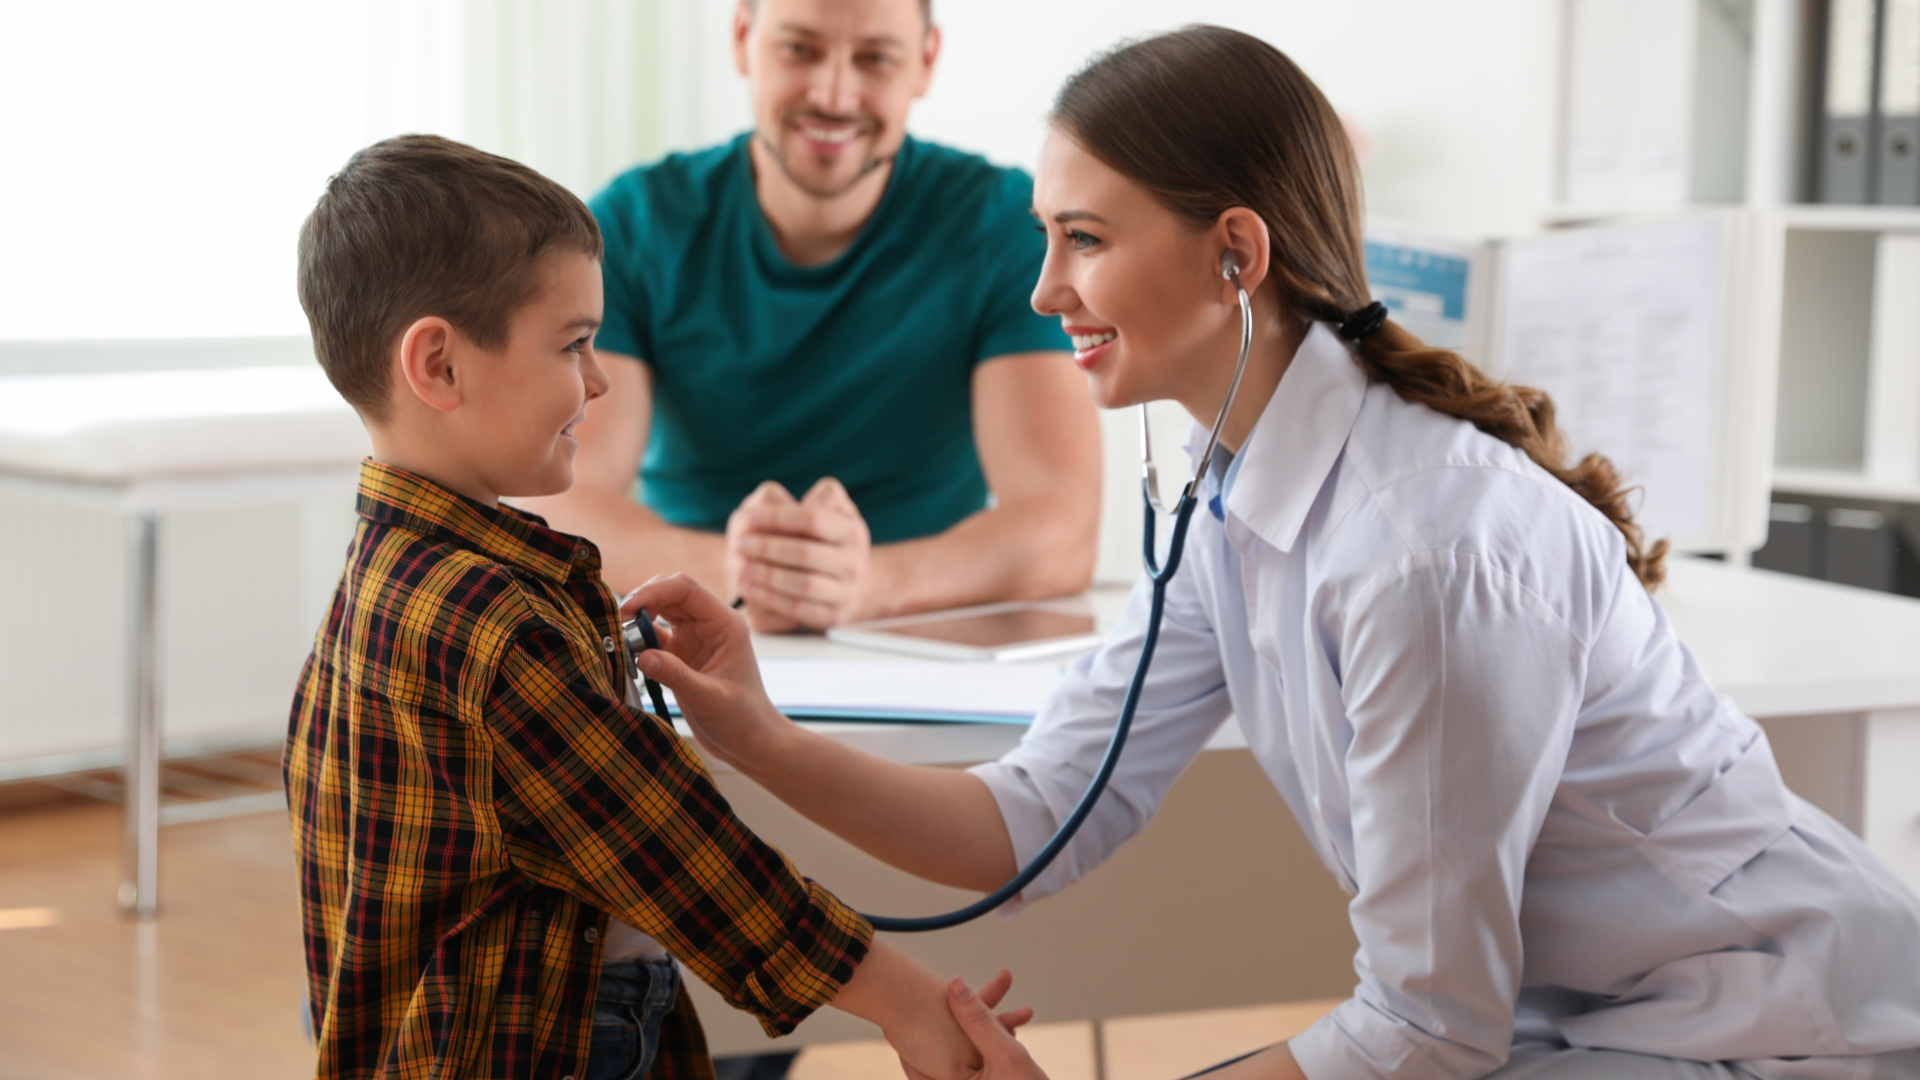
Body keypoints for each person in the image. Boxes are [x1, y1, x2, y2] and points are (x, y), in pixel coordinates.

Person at [624, 27, 1920, 1080]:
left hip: (1766, 1027)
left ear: (1234, 254)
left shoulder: (1420, 551)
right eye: (1044, 237)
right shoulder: (1232, 497)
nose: (1042, 291)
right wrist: (757, 736)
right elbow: (1029, 823)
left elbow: (1422, 1029)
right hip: (1578, 1021)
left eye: (1084, 239)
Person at [284, 133, 1020, 1080]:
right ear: (439, 366)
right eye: (574, 345)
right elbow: (689, 861)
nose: (597, 381)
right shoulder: (498, 630)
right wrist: (910, 1002)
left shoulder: (384, 582)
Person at [522, 0, 1101, 634]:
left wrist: (867, 585)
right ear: (743, 39)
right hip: (688, 629)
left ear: (925, 62)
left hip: (914, 636)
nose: (833, 94)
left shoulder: (1002, 224)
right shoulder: (639, 224)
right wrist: (743, 574)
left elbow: (1061, 528)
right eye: (800, 48)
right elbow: (558, 497)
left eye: (875, 58)